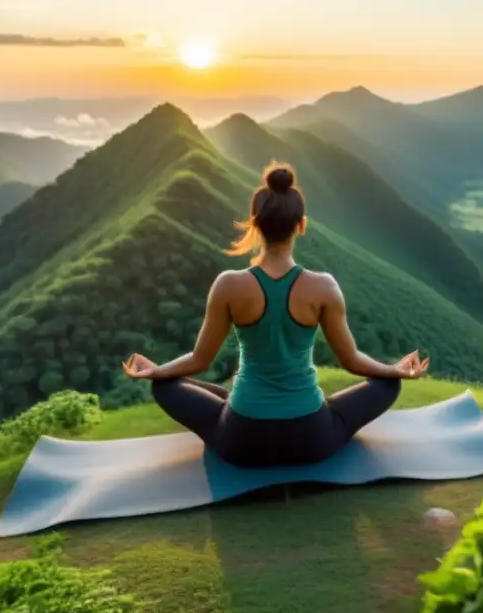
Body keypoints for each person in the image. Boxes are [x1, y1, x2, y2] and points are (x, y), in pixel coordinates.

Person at [122, 160, 429, 468]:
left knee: (165, 384)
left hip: (241, 441)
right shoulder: (324, 287)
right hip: (312, 438)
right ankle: (298, 413)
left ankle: (231, 404)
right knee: (387, 384)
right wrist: (395, 370)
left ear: (254, 223)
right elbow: (351, 362)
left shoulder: (228, 285)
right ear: (302, 224)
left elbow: (199, 360)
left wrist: (156, 371)